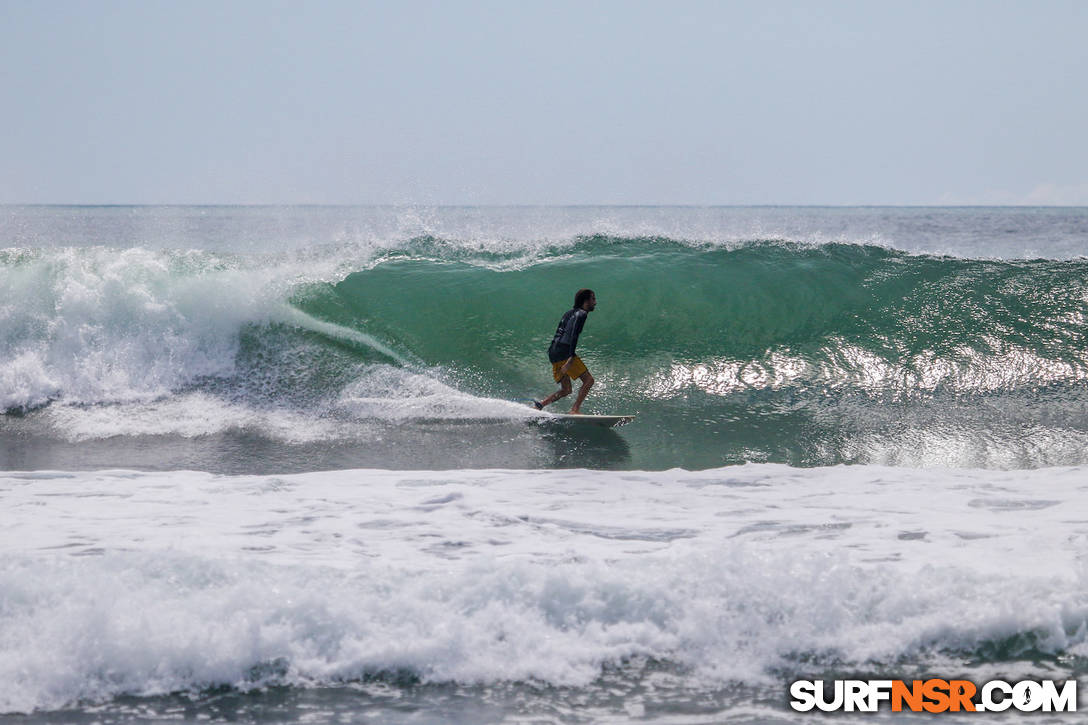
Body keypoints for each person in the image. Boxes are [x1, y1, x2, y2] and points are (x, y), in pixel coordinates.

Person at [534, 288, 596, 414]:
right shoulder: (582, 314)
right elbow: (574, 335)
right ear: (586, 301)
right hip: (564, 351)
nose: (595, 302)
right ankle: (575, 409)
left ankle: (540, 405)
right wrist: (570, 358)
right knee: (589, 381)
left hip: (553, 351)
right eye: (593, 299)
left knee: (566, 389)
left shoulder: (569, 313)